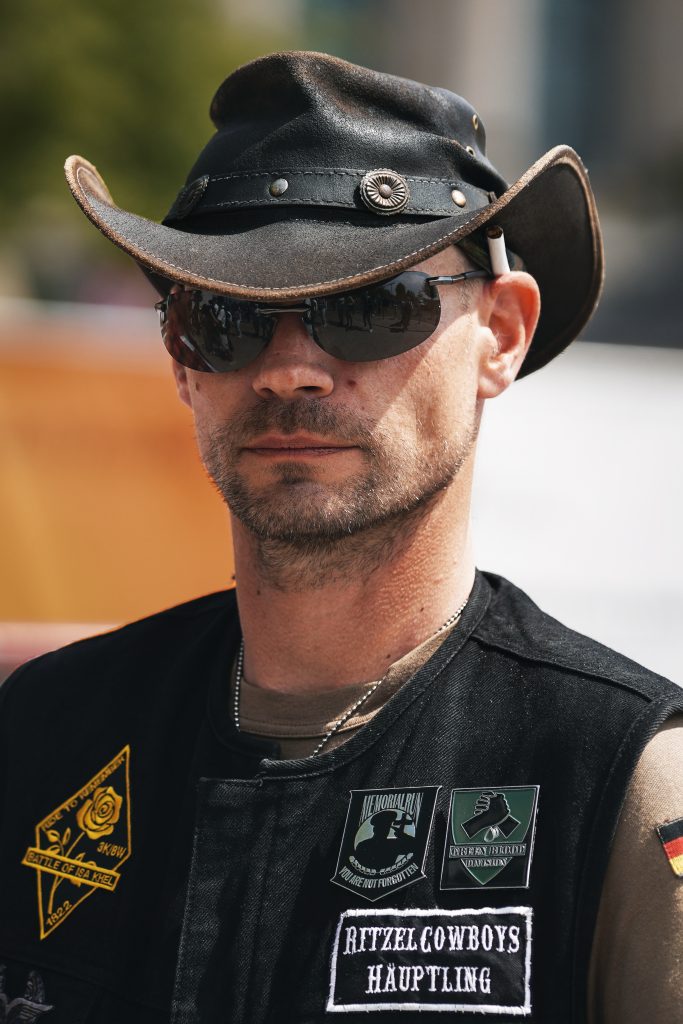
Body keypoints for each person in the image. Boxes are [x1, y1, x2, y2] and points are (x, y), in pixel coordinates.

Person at [0, 50, 681, 1024]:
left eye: (368, 307)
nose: (290, 369)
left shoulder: (621, 778)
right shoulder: (43, 733)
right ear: (180, 360)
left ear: (499, 333)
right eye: (223, 316)